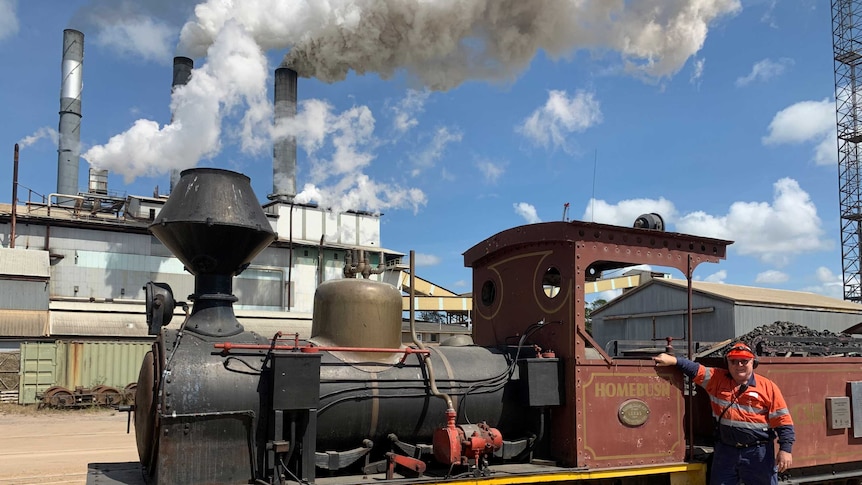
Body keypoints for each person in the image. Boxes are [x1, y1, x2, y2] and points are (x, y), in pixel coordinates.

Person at [653, 342, 794, 485]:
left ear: (753, 362)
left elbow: (784, 422)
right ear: (727, 363)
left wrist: (785, 450)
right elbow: (695, 369)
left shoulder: (768, 387)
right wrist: (673, 360)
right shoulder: (716, 379)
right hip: (726, 451)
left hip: (758, 453)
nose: (739, 365)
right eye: (733, 361)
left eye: (744, 361)